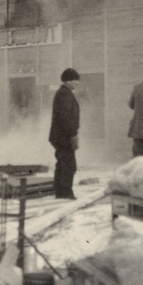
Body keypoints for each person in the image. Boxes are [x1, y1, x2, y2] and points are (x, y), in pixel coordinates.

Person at [49, 68, 81, 199]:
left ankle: (61, 192)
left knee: (63, 164)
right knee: (69, 165)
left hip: (61, 136)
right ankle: (65, 193)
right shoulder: (64, 94)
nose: (78, 83)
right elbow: (66, 117)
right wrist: (73, 134)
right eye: (76, 80)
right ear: (68, 81)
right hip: (64, 137)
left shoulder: (64, 93)